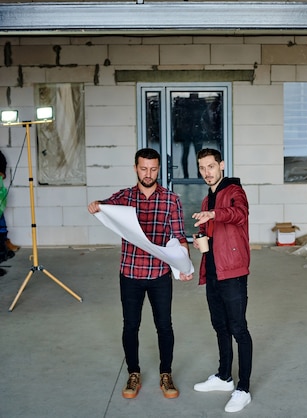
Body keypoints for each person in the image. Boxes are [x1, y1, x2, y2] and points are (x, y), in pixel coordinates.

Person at [87, 148, 193, 400]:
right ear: (135, 168)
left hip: (159, 275)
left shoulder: (171, 199)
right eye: (144, 168)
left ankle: (165, 374)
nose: (148, 174)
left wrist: (184, 266)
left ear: (159, 169)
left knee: (164, 326)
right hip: (130, 273)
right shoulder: (123, 197)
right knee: (131, 326)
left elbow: (178, 237)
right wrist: (96, 205)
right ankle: (133, 372)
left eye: (153, 169)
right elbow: (104, 207)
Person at [190, 148, 253, 413]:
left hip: (234, 271)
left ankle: (244, 389)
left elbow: (239, 214)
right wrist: (199, 239)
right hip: (214, 270)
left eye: (211, 166)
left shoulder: (234, 191)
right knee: (220, 325)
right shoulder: (207, 199)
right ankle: (225, 377)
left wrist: (215, 214)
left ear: (222, 165)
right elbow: (210, 231)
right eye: (202, 168)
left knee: (239, 328)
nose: (207, 172)